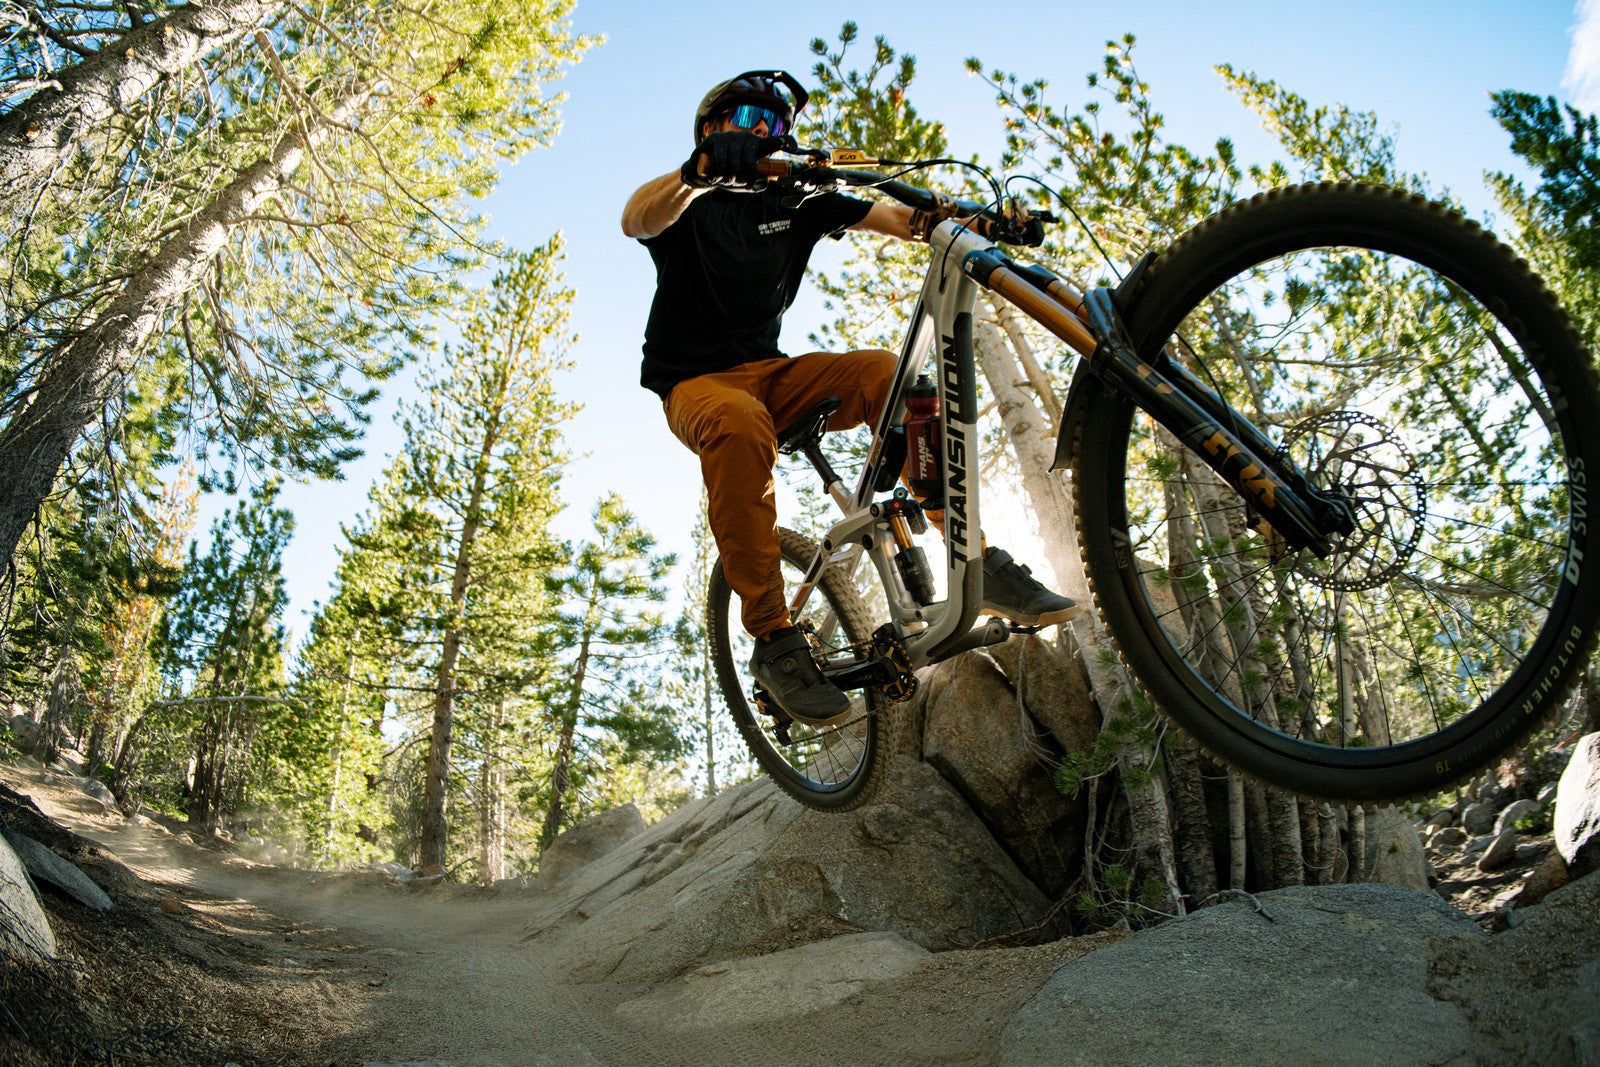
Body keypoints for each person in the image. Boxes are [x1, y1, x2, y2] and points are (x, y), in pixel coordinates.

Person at [622, 70, 1075, 726]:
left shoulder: (801, 202)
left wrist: (987, 219)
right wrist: (696, 174)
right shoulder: (688, 199)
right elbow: (637, 215)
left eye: (774, 123)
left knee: (890, 374)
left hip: (774, 374)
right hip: (700, 385)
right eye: (746, 114)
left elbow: (907, 220)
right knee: (739, 423)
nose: (760, 128)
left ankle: (979, 563)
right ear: (712, 129)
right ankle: (775, 640)